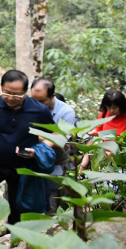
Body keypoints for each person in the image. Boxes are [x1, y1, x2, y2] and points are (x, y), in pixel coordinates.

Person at [0, 70, 55, 243]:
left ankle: (11, 241)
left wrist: (39, 149)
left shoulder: (39, 110)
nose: (10, 97)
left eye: (16, 95)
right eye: (6, 92)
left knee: (17, 207)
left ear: (25, 92)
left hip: (23, 166)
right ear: (1, 88)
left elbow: (54, 135)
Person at [30, 77, 77, 212]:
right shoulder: (26, 106)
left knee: (52, 204)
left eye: (42, 101)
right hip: (30, 163)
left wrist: (35, 138)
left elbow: (60, 140)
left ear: (52, 96)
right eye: (34, 100)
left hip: (55, 164)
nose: (37, 105)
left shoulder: (66, 112)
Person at [80, 89, 126, 170]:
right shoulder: (103, 115)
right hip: (106, 159)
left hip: (125, 162)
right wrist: (92, 133)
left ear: (121, 106)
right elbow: (99, 129)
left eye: (114, 107)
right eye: (109, 107)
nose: (111, 110)